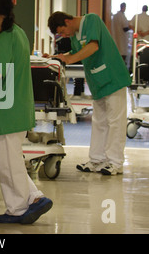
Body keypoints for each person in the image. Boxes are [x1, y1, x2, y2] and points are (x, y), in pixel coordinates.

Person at [0, 0, 52, 224]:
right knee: (9, 161)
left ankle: (18, 209)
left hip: (9, 110)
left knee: (8, 164)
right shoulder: (19, 33)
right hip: (18, 106)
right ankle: (34, 197)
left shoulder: (6, 37)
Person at [47, 12, 131, 175]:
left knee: (115, 122)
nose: (64, 35)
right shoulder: (75, 35)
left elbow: (93, 46)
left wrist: (69, 59)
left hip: (113, 78)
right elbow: (74, 53)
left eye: (63, 32)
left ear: (67, 21)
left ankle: (115, 162)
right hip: (98, 81)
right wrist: (57, 57)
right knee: (99, 121)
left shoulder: (91, 20)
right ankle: (96, 160)